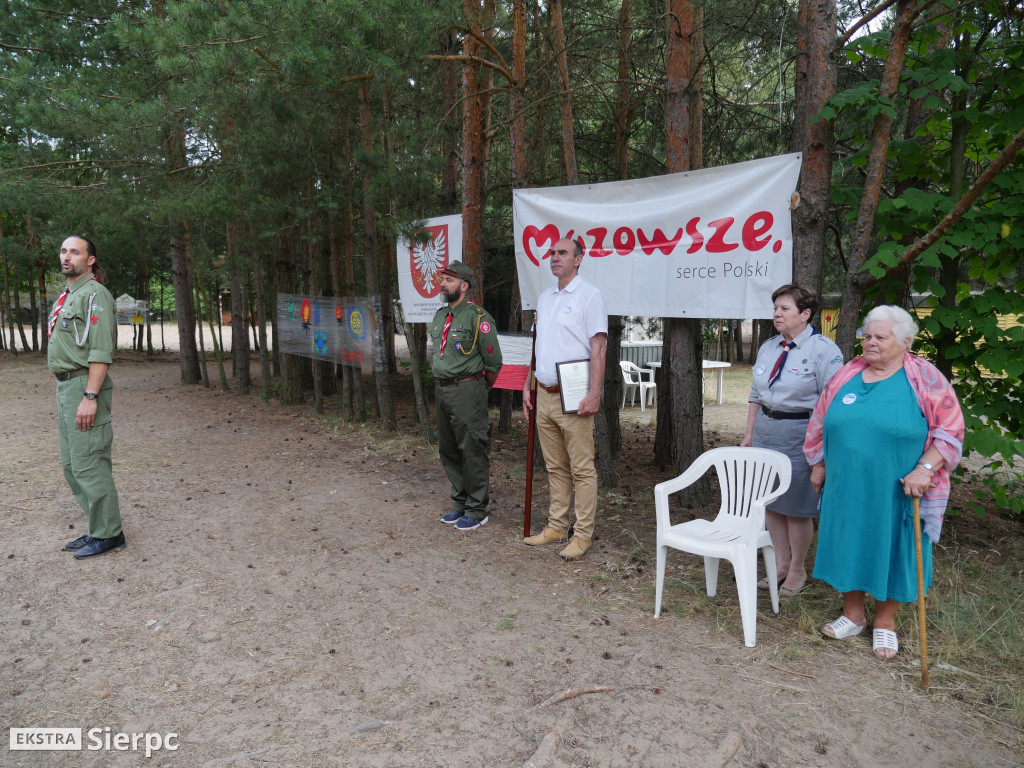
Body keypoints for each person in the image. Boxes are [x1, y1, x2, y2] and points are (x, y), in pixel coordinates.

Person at [804, 305, 964, 659]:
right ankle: (853, 615)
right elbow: (820, 420)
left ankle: (885, 623)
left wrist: (926, 468)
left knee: (893, 546)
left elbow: (951, 430)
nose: (870, 343)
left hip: (898, 487)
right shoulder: (847, 374)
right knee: (849, 541)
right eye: (867, 336)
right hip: (847, 484)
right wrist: (819, 464)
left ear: (905, 342)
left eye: (880, 337)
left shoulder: (926, 378)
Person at [741, 285, 843, 596]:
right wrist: (748, 435)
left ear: (806, 314)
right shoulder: (769, 347)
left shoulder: (824, 351)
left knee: (798, 506)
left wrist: (821, 456)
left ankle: (798, 569)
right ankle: (780, 564)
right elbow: (756, 394)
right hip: (766, 432)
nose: (777, 314)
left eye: (784, 308)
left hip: (802, 436)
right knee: (771, 502)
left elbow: (831, 404)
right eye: (775, 308)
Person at [521, 238, 608, 560]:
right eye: (553, 253)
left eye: (563, 253)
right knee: (555, 466)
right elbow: (541, 347)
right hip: (544, 394)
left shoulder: (589, 296)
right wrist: (528, 387)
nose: (555, 258)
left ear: (579, 259)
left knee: (582, 469)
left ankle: (582, 534)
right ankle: (557, 526)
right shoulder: (546, 298)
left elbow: (599, 347)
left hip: (574, 397)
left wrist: (594, 393)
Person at [48, 236, 126, 559]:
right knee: (72, 465)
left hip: (85, 386)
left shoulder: (96, 295)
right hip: (66, 388)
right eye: (64, 251)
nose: (67, 257)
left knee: (90, 463)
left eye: (75, 252)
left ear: (90, 259)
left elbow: (100, 351)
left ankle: (109, 534)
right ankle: (100, 526)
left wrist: (90, 395)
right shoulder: (67, 296)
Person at [431, 261, 503, 531]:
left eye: (449, 280)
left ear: (464, 286)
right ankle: (460, 502)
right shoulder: (440, 317)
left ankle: (476, 509)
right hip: (443, 389)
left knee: (472, 448)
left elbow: (493, 362)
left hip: (468, 389)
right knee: (448, 448)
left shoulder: (478, 318)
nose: (443, 284)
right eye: (443, 279)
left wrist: (479, 388)